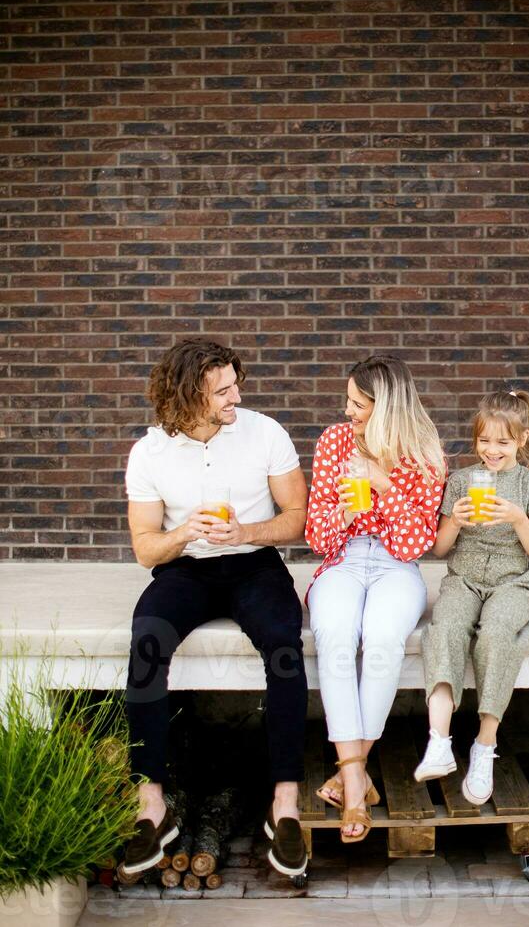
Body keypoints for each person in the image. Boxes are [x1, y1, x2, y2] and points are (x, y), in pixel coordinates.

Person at [122, 338, 309, 879]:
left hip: (254, 565)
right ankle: (151, 804)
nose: (236, 396)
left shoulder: (264, 431)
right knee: (147, 641)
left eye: (235, 384)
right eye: (221, 390)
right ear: (186, 396)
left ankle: (285, 803)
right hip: (187, 569)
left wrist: (246, 531)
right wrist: (184, 533)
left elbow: (297, 517)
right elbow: (144, 548)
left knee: (282, 644)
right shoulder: (150, 452)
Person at [305, 355, 446, 843]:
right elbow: (316, 537)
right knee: (336, 634)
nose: (348, 411)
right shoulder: (333, 442)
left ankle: (349, 776)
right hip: (343, 557)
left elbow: (414, 545)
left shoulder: (425, 453)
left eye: (359, 404)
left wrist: (384, 487)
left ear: (386, 408)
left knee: (384, 638)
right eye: (348, 400)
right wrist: (342, 515)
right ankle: (356, 782)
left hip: (396, 565)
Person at [415, 389, 529, 805]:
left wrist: (515, 516)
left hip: (511, 581)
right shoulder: (460, 480)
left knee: (496, 635)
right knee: (446, 628)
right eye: (484, 441)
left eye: (503, 442)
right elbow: (439, 549)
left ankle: (483, 745)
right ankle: (439, 742)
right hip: (465, 578)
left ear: (522, 439)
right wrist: (454, 522)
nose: (492, 451)